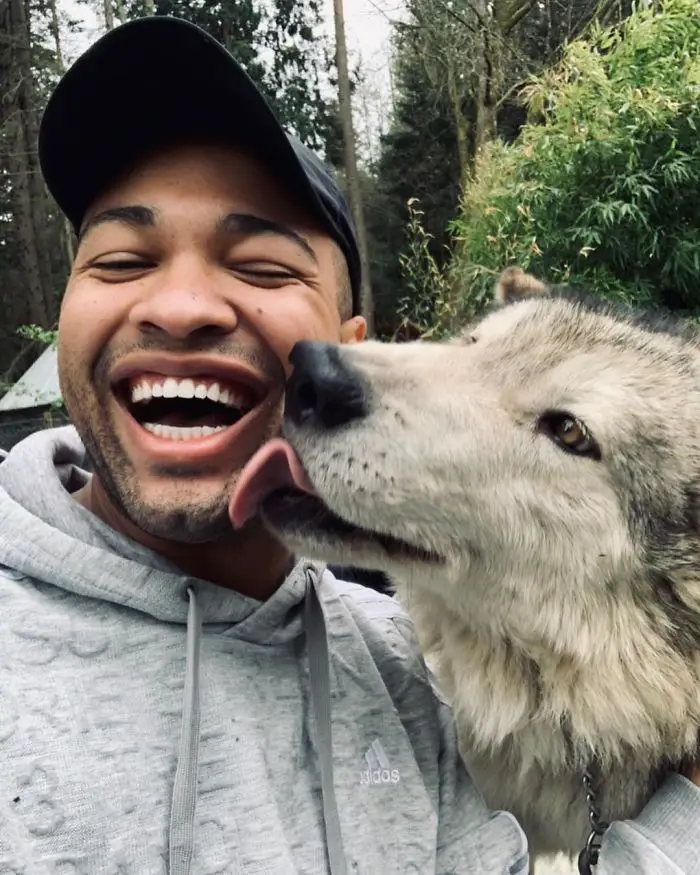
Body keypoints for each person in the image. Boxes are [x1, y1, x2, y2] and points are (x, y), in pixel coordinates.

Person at [0, 15, 698, 875]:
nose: (179, 306)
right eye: (120, 259)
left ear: (345, 338)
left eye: (259, 267)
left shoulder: (403, 678)